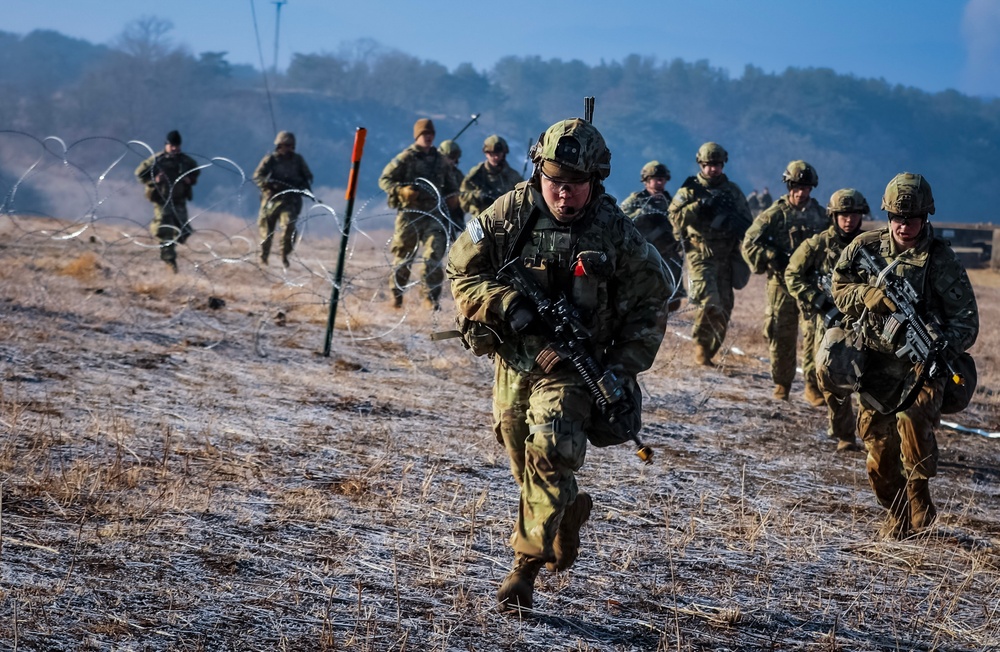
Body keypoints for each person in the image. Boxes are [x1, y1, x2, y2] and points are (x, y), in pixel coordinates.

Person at [447, 118, 670, 613]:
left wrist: (622, 366)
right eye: (553, 183)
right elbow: (461, 271)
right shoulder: (511, 212)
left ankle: (523, 570)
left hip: (573, 365)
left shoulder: (615, 231)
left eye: (574, 185)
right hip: (516, 356)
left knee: (549, 453)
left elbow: (656, 297)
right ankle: (566, 511)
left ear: (596, 181)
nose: (563, 195)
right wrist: (506, 305)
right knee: (516, 448)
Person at [831, 173, 978, 539]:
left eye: (911, 219)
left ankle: (918, 499)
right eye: (897, 218)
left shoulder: (941, 261)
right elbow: (839, 288)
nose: (904, 226)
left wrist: (941, 343)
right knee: (878, 450)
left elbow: (968, 322)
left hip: (922, 365)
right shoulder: (866, 246)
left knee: (913, 427)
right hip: (877, 363)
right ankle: (896, 513)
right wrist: (869, 296)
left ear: (926, 216)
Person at [785, 188, 869, 452]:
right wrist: (818, 300)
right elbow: (792, 275)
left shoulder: (871, 245)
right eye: (843, 214)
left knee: (871, 379)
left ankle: (873, 436)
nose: (848, 220)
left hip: (866, 321)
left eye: (854, 214)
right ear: (833, 216)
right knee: (831, 379)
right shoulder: (817, 244)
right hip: (827, 321)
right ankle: (844, 433)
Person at [742, 160, 828, 403]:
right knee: (780, 335)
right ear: (789, 186)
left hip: (811, 286)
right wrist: (770, 256)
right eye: (796, 187)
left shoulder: (821, 216)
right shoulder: (774, 215)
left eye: (806, 188)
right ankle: (782, 384)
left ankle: (813, 386)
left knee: (814, 336)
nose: (801, 193)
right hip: (780, 285)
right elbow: (749, 244)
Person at [668, 142, 753, 366]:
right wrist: (698, 207)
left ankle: (710, 350)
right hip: (700, 253)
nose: (712, 169)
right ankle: (701, 346)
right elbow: (674, 217)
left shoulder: (732, 192)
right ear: (701, 164)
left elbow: (747, 224)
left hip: (726, 256)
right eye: (708, 165)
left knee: (724, 307)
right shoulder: (690, 190)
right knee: (709, 301)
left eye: (716, 164)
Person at [379, 118, 460, 310]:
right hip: (410, 214)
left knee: (433, 256)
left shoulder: (440, 160)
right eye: (424, 134)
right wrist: (401, 191)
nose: (428, 137)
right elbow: (385, 180)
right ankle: (396, 296)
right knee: (404, 258)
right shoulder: (406, 158)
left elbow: (451, 185)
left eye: (431, 134)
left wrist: (454, 198)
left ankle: (430, 300)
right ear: (417, 136)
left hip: (434, 215)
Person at [620, 160, 684, 309]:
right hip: (644, 256)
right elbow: (622, 220)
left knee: (672, 302)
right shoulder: (636, 201)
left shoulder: (672, 203)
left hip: (668, 257)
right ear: (647, 181)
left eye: (662, 179)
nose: (660, 183)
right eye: (656, 179)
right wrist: (642, 213)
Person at [134, 130, 200, 272]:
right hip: (162, 200)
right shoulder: (157, 160)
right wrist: (154, 180)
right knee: (165, 230)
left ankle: (167, 240)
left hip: (179, 200)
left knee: (185, 230)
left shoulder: (185, 161)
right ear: (166, 145)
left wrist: (190, 180)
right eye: (172, 145)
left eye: (177, 145)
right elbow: (139, 174)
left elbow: (196, 171)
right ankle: (169, 260)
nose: (175, 148)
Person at [253, 131, 313, 267]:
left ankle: (284, 255)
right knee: (266, 231)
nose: (288, 148)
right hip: (271, 199)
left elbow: (308, 176)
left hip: (290, 200)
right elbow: (258, 176)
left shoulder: (298, 160)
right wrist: (269, 184)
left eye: (290, 145)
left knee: (288, 227)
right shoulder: (271, 159)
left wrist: (299, 184)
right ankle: (264, 257)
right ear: (279, 145)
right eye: (285, 145)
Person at [459, 135, 523, 217]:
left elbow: (523, 198)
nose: (495, 157)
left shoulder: (513, 176)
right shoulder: (476, 174)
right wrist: (479, 195)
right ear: (486, 153)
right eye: (492, 154)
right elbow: (463, 198)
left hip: (506, 221)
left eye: (498, 153)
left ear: (504, 153)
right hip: (480, 220)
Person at [438, 139, 466, 240]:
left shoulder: (458, 176)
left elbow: (465, 195)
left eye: (454, 158)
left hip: (452, 218)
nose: (452, 161)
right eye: (449, 157)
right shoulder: (434, 173)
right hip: (433, 216)